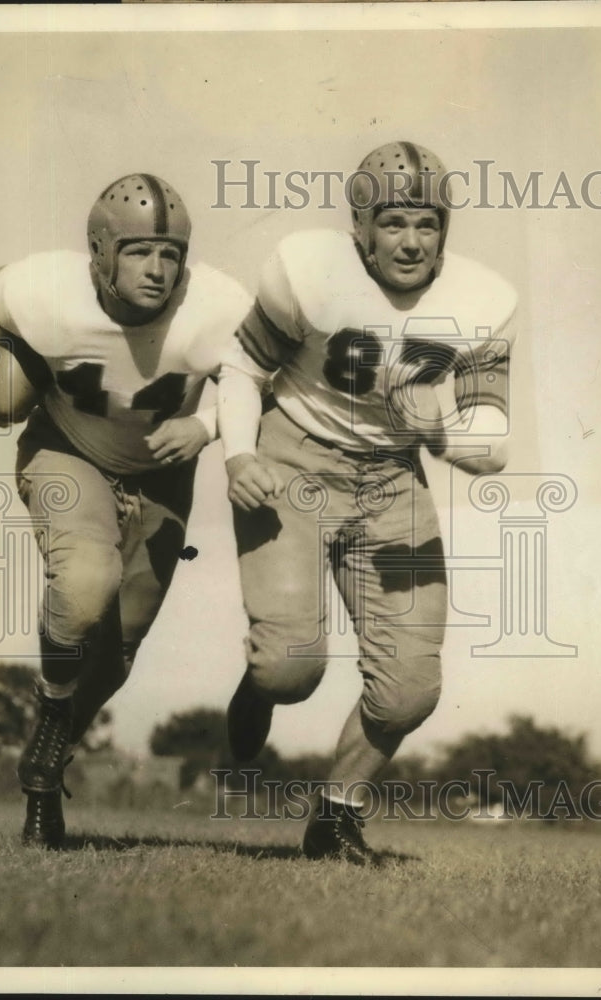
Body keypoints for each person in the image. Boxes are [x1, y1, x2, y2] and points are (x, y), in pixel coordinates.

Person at [217, 141, 517, 864]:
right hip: (294, 459)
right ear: (359, 227)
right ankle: (262, 680)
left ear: (446, 229)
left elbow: (493, 441)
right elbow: (239, 365)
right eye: (393, 222)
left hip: (392, 481)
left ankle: (337, 811)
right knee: (291, 668)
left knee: (411, 684)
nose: (411, 241)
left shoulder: (483, 301)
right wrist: (238, 454)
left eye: (427, 223)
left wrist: (439, 430)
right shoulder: (307, 273)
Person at [0, 173, 251, 848]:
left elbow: (259, 377)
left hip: (161, 472)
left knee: (116, 656)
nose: (158, 269)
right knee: (88, 582)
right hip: (70, 450)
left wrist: (206, 425)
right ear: (99, 252)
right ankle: (53, 730)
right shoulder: (46, 288)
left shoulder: (217, 304)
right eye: (140, 251)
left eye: (170, 253)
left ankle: (46, 754)